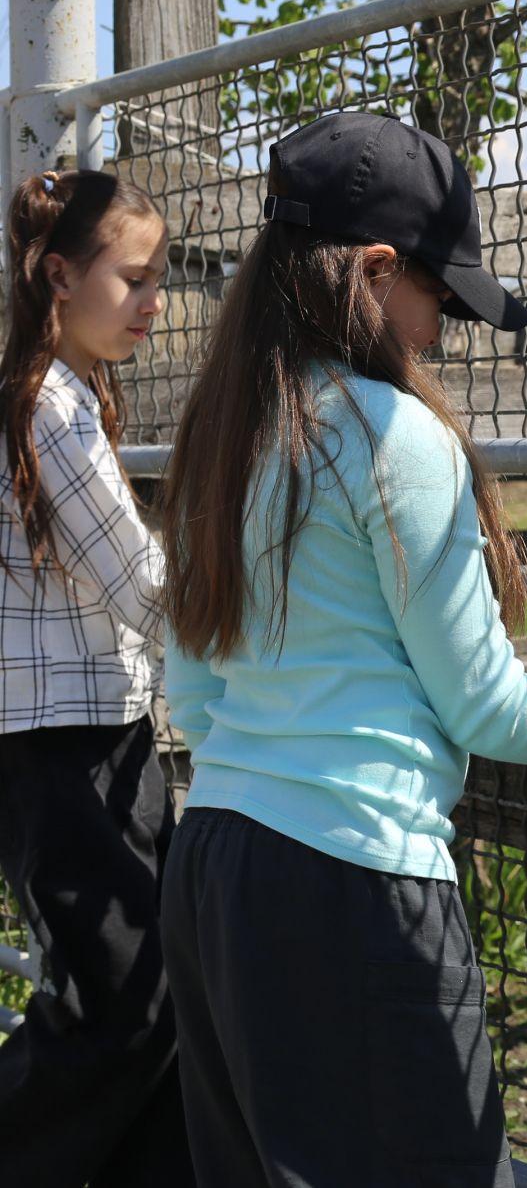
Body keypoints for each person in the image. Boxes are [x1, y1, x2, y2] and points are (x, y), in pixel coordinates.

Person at [156, 112, 527, 1185]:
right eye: (438, 296)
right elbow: (484, 706)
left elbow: (196, 692)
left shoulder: (230, 430)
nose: (442, 329)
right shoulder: (395, 440)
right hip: (357, 882)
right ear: (379, 269)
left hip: (213, 868)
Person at [0, 168, 196, 1186]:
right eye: (135, 279)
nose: (155, 301)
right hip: (62, 748)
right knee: (119, 1005)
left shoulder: (70, 398)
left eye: (160, 278)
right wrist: (259, 647)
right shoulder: (51, 409)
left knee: (156, 997)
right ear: (57, 274)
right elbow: (141, 584)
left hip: (95, 737)